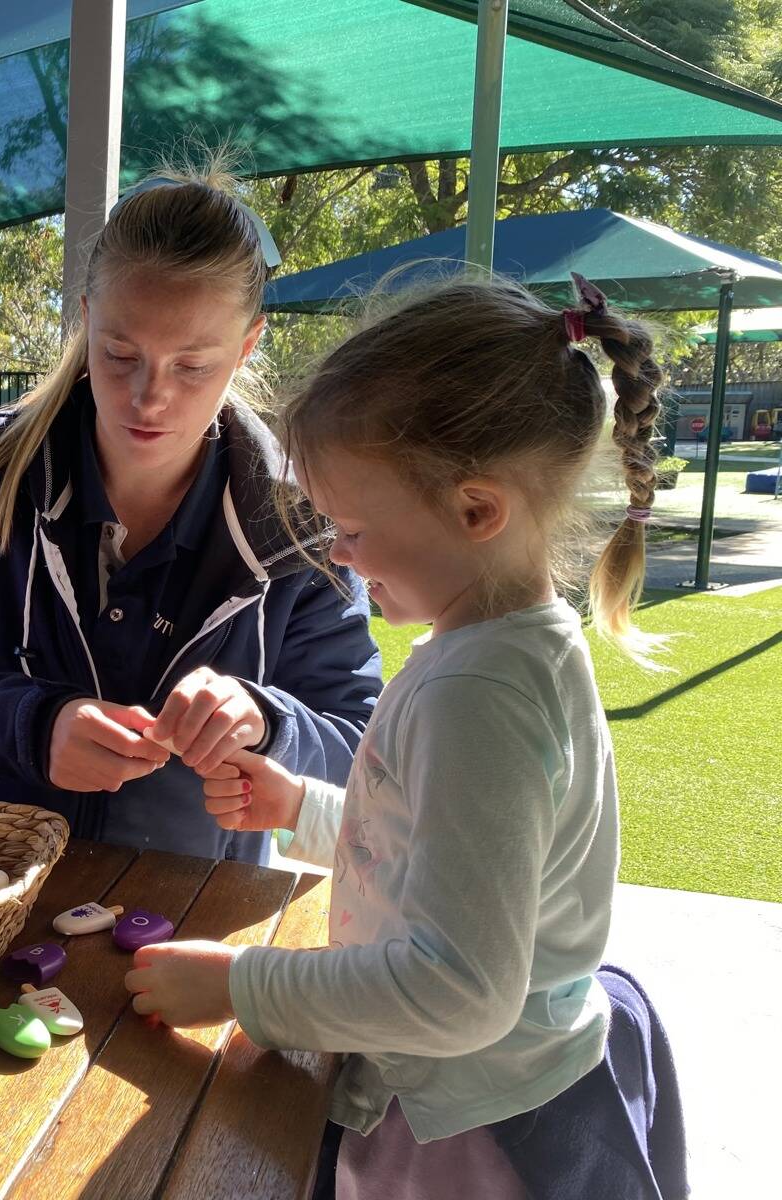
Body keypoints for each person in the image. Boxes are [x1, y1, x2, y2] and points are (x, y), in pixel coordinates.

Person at [124, 275, 688, 1200]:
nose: (336, 554)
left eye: (351, 528)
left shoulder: (480, 694)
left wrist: (241, 986)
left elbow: (458, 991)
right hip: (482, 1087)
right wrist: (304, 807)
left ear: (476, 511)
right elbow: (437, 846)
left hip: (465, 1127)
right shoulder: (504, 646)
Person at [0, 168, 382, 861]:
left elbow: (361, 743)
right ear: (86, 320)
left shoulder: (302, 523)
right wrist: (34, 727)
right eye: (119, 355)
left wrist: (266, 720)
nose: (148, 397)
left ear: (247, 346)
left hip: (198, 899)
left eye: (192, 366)